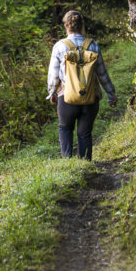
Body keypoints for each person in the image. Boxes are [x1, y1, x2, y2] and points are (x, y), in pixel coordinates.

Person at [46, 10, 118, 160]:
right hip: (90, 97)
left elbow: (53, 76)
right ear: (81, 25)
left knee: (65, 128)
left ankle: (67, 163)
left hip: (66, 97)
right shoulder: (93, 45)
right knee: (84, 132)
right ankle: (85, 163)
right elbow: (102, 74)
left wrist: (52, 93)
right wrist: (111, 94)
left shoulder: (59, 46)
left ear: (66, 25)